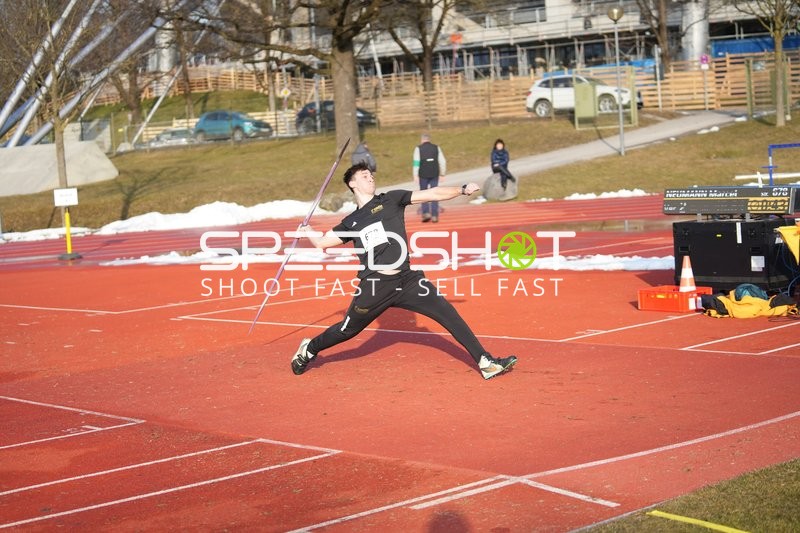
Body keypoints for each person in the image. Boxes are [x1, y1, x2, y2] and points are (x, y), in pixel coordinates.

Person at [291, 162, 518, 380]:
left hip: (407, 281)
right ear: (352, 184)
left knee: (449, 314)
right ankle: (309, 349)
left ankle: (486, 363)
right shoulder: (351, 222)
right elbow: (322, 243)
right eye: (364, 176)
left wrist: (461, 190)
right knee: (347, 330)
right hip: (375, 285)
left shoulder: (391, 199)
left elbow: (432, 194)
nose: (371, 177)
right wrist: (308, 231)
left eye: (371, 175)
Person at [412, 133, 446, 223]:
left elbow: (416, 163)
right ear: (429, 139)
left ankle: (426, 213)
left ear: (422, 140)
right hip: (434, 173)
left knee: (423, 194)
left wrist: (415, 175)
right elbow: (442, 161)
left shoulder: (418, 148)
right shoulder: (436, 147)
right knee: (435, 193)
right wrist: (442, 174)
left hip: (423, 174)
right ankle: (435, 215)